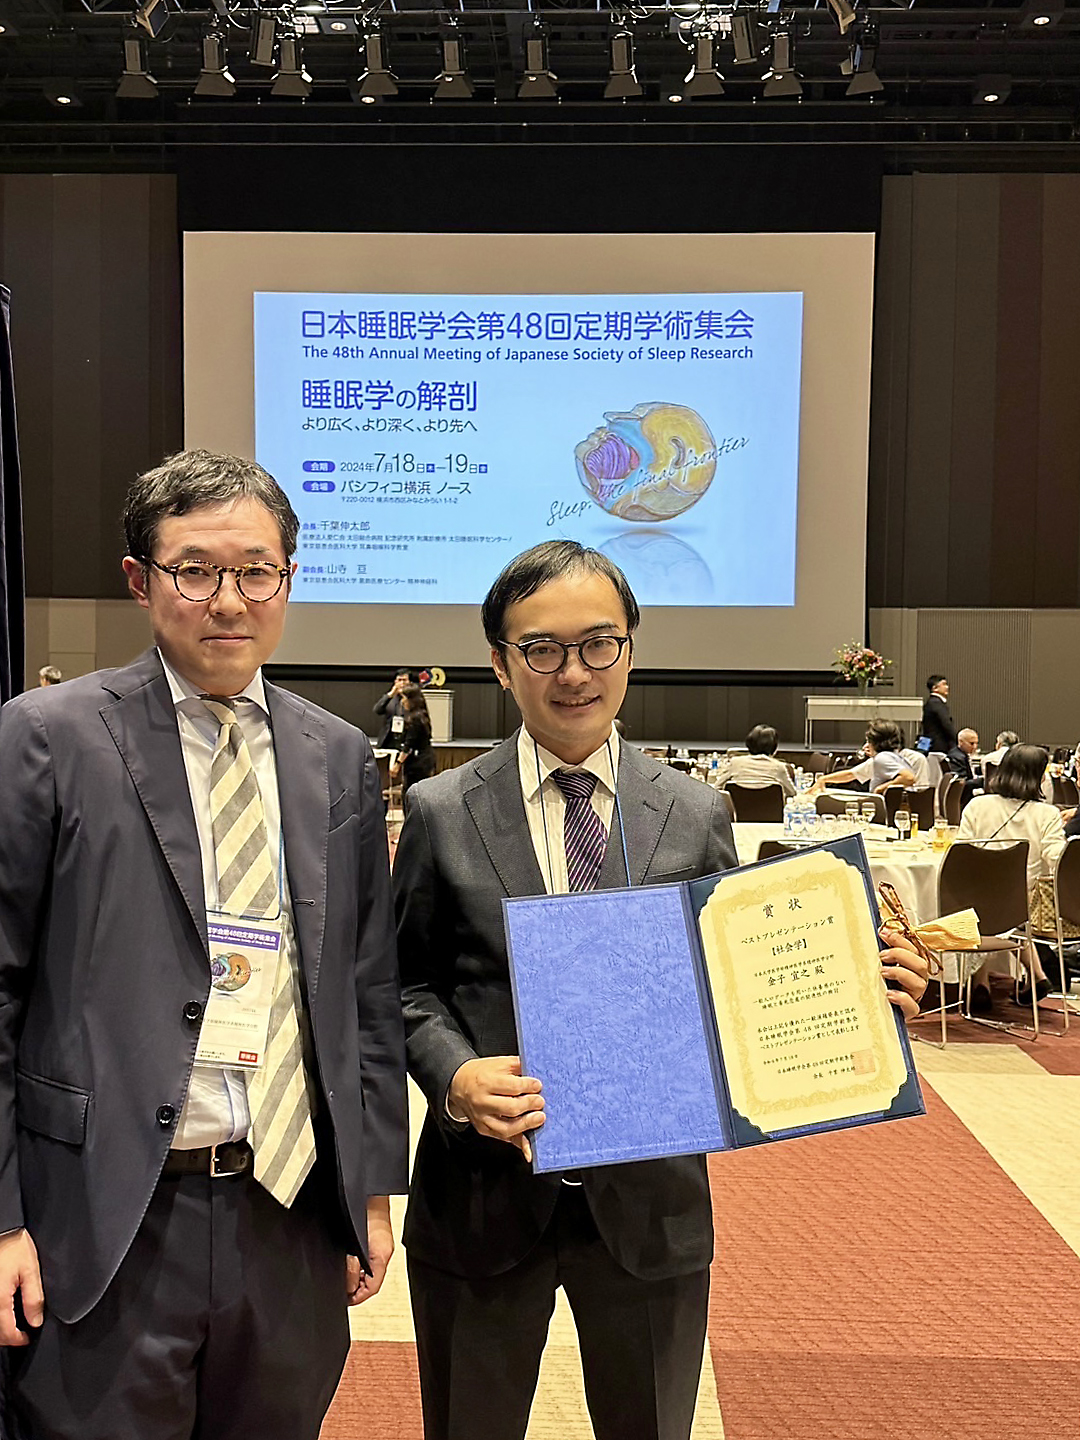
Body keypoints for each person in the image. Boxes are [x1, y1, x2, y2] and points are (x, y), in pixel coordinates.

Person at [393, 539, 928, 1440]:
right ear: (501, 663)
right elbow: (404, 984)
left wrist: (852, 988)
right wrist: (454, 1077)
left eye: (598, 644)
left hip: (652, 1207)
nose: (574, 672)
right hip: (482, 1196)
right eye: (542, 649)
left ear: (630, 650)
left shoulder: (693, 809)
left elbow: (737, 981)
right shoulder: (442, 811)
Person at [0, 450, 408, 1439]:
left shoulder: (336, 755)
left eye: (256, 571)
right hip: (103, 1214)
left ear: (288, 579)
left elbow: (365, 986)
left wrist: (370, 1188)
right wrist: (2, 1218)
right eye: (195, 570)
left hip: (286, 1211)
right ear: (140, 580)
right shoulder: (47, 737)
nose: (229, 600)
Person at [956, 744, 1065, 1010]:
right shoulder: (1047, 814)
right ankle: (1035, 976)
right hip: (1018, 906)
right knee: (1013, 914)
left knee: (981, 906)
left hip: (970, 900)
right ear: (1038, 777)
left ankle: (980, 983)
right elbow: (1057, 859)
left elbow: (961, 854)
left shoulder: (977, 805)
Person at [811, 718, 917, 795]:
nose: (866, 745)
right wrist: (823, 779)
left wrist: (881, 788)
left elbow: (909, 777)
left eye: (868, 741)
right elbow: (850, 774)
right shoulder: (888, 757)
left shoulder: (882, 758)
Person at [715, 724, 796, 797]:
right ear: (774, 748)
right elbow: (792, 793)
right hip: (770, 808)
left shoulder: (735, 763)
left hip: (736, 809)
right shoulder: (779, 767)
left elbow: (717, 787)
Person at [390, 682, 436, 796]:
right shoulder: (421, 715)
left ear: (412, 700)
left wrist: (397, 764)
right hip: (423, 759)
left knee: (411, 794)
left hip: (419, 762)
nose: (402, 702)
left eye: (404, 698)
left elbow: (409, 744)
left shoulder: (415, 718)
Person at [373, 668, 411, 748]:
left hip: (406, 740)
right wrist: (390, 694)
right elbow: (377, 710)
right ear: (395, 682)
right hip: (388, 740)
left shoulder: (414, 698)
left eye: (404, 680)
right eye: (399, 680)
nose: (402, 683)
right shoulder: (390, 698)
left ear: (410, 682)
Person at [921, 674, 957, 755]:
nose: (947, 687)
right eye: (944, 684)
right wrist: (957, 740)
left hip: (932, 745)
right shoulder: (936, 703)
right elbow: (946, 724)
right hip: (939, 747)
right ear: (935, 688)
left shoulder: (931, 702)